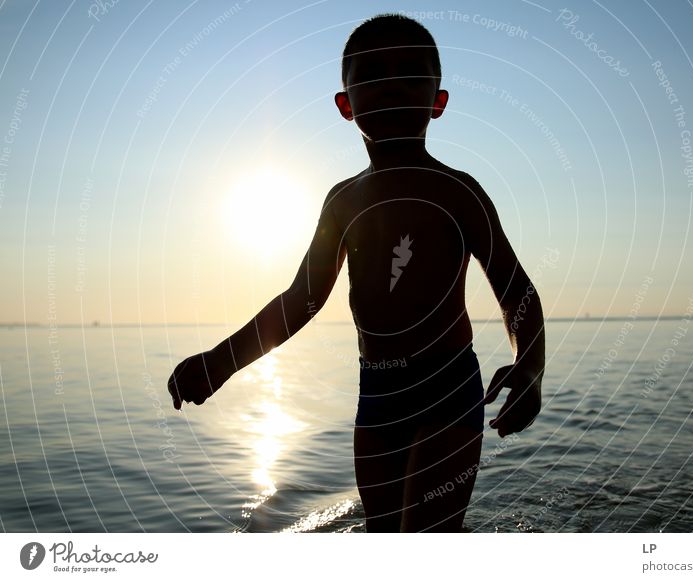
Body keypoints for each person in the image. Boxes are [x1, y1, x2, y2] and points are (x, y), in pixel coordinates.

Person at [167, 13, 545, 532]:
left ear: (438, 102)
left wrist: (530, 369)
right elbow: (301, 299)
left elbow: (515, 288)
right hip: (377, 399)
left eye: (410, 73)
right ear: (346, 106)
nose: (390, 83)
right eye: (372, 74)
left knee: (431, 539)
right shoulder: (343, 202)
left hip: (447, 388)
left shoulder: (460, 192)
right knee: (383, 536)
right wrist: (220, 361)